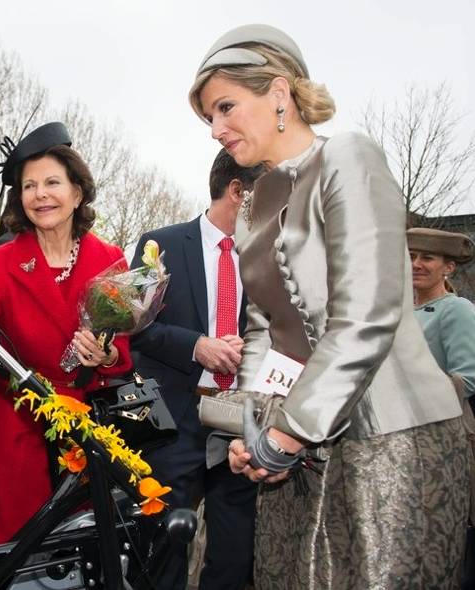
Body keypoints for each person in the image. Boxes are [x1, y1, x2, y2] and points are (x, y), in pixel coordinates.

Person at [188, 24, 468, 588]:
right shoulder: (250, 210)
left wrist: (288, 432)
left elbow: (368, 315)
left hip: (393, 438)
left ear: (278, 93)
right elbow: (265, 331)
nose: (216, 129)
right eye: (208, 118)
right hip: (298, 452)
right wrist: (250, 428)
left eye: (225, 107)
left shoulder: (350, 157)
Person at [0, 121, 132, 549]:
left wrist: (104, 356)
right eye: (29, 186)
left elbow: (121, 349)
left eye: (53, 182)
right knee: (3, 548)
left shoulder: (110, 259)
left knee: (68, 551)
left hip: (82, 426)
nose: (40, 194)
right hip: (16, 420)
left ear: (78, 192)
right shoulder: (2, 259)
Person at [131, 148, 262, 590]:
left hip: (240, 423)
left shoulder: (270, 257)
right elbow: (136, 328)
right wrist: (196, 346)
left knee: (233, 553)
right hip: (174, 420)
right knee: (162, 545)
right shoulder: (160, 244)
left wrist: (256, 348)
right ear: (238, 192)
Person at [408, 227, 475, 401]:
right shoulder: (400, 310)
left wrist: (403, 398)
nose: (415, 264)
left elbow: (467, 380)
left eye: (427, 258)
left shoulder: (456, 309)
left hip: (434, 423)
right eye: (411, 257)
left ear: (449, 268)